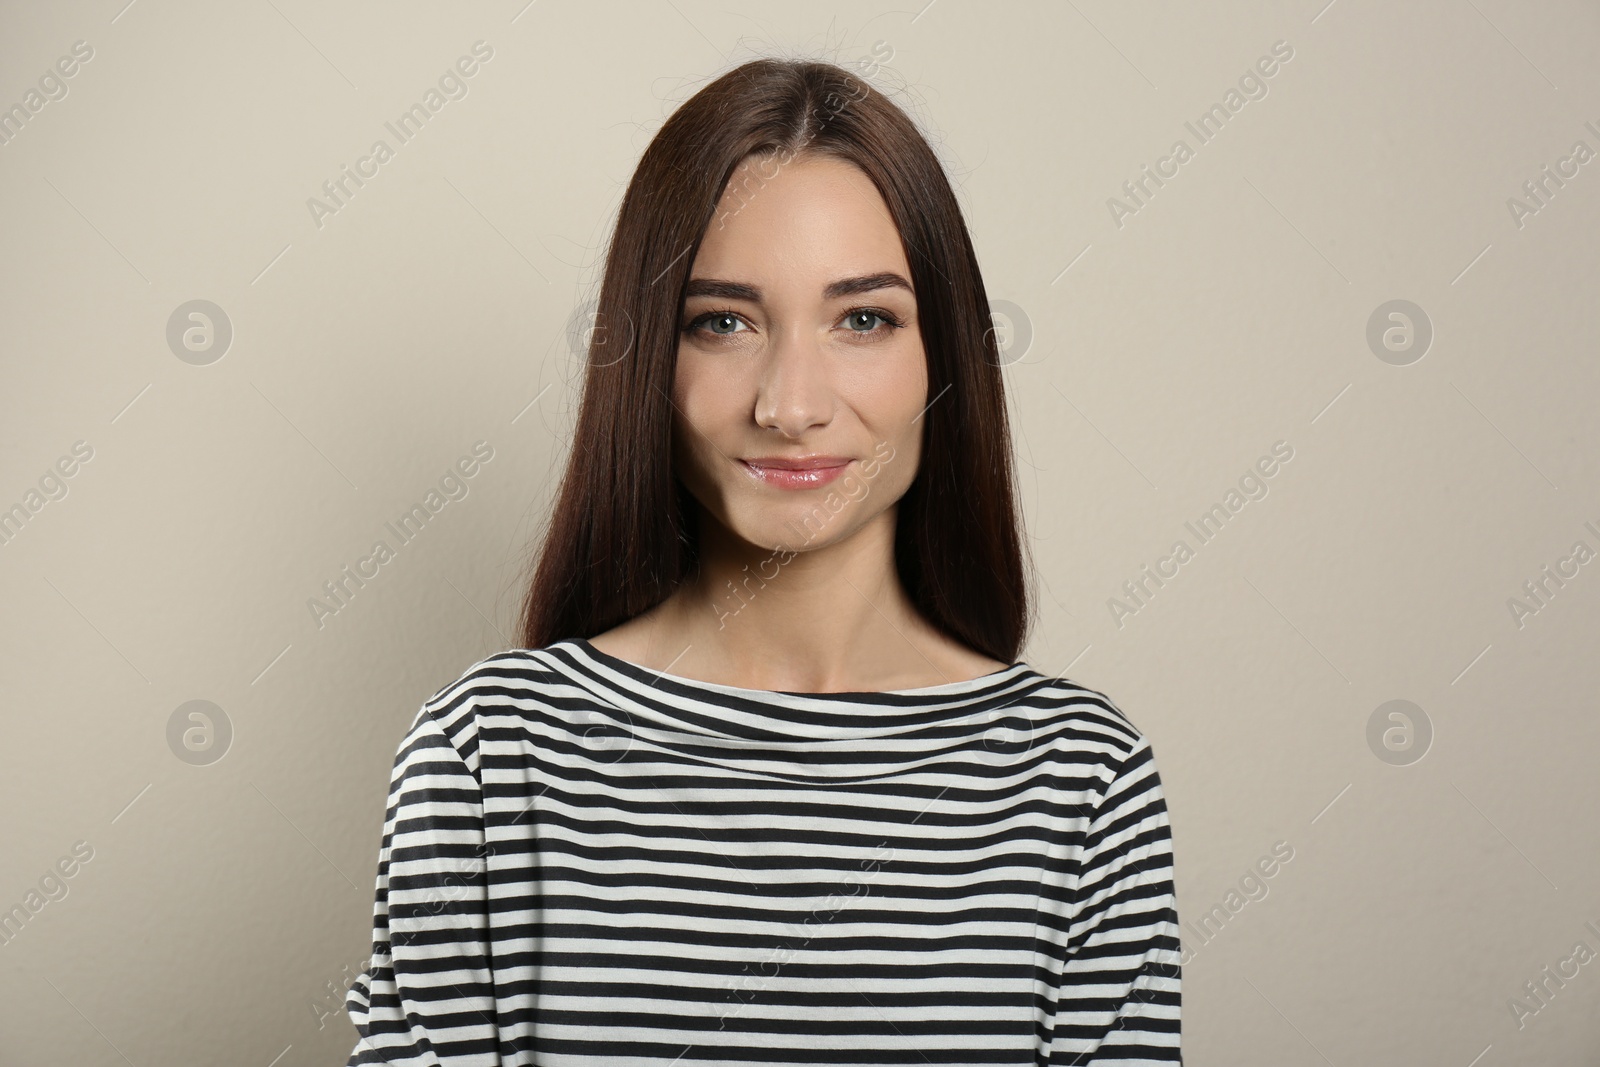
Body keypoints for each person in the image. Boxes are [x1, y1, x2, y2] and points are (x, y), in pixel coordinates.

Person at [344, 56, 1181, 1065]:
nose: (790, 405)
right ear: (649, 355)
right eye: (723, 322)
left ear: (943, 357)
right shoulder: (489, 761)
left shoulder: (1079, 779)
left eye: (862, 317)